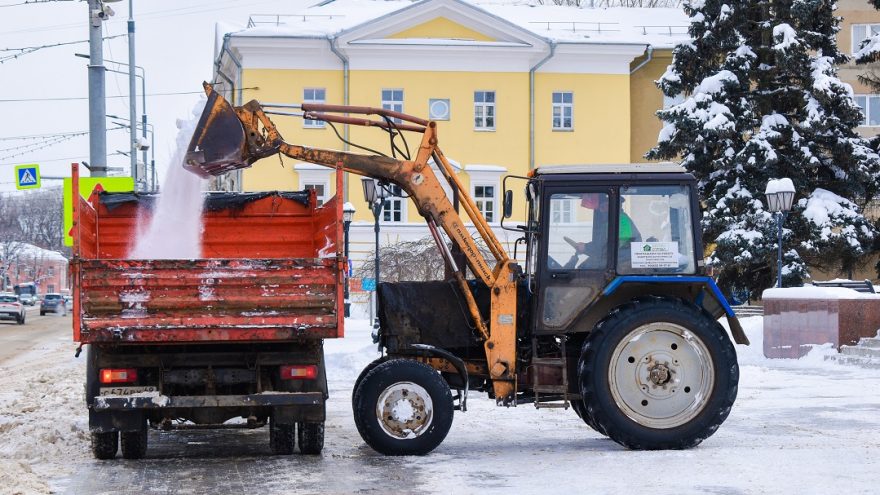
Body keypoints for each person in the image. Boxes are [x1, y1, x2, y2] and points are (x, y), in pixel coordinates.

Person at [563, 193, 641, 269]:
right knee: (583, 268)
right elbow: (604, 243)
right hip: (615, 262)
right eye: (600, 208)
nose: (601, 211)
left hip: (621, 265)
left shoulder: (621, 221)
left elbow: (614, 247)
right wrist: (585, 247)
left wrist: (586, 248)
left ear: (614, 206)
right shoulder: (611, 221)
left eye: (604, 207)